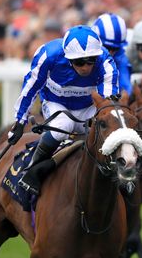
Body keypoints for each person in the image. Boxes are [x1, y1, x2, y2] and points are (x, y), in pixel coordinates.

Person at [7, 25, 120, 195]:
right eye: (79, 62)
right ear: (68, 58)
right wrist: (20, 121)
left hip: (88, 107)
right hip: (55, 104)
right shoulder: (48, 55)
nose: (86, 67)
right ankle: (31, 172)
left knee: (106, 129)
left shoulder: (106, 61)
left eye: (91, 61)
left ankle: (116, 176)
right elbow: (31, 87)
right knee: (63, 127)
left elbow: (109, 105)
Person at [92, 13, 132, 94]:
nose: (110, 52)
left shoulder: (121, 57)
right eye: (106, 47)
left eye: (115, 48)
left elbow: (126, 88)